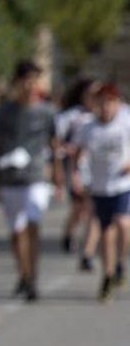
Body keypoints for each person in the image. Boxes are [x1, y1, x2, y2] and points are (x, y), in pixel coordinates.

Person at [0, 60, 62, 302]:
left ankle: (32, 278)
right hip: (10, 178)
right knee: (16, 231)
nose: (31, 85)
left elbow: (54, 145)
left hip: (36, 177)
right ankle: (23, 272)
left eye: (35, 79)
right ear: (18, 82)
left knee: (33, 225)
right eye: (26, 80)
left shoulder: (47, 111)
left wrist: (58, 177)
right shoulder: (5, 112)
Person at [73, 83, 130, 301]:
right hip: (100, 187)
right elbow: (77, 153)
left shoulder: (125, 122)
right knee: (106, 232)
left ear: (117, 104)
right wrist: (77, 175)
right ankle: (107, 275)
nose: (106, 107)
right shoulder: (88, 128)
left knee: (123, 223)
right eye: (102, 102)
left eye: (110, 102)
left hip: (123, 184)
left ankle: (121, 263)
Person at [56, 78, 102, 272]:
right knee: (79, 210)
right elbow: (57, 141)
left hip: (100, 173)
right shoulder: (71, 116)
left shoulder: (109, 116)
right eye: (91, 94)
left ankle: (88, 253)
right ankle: (68, 234)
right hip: (76, 170)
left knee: (94, 212)